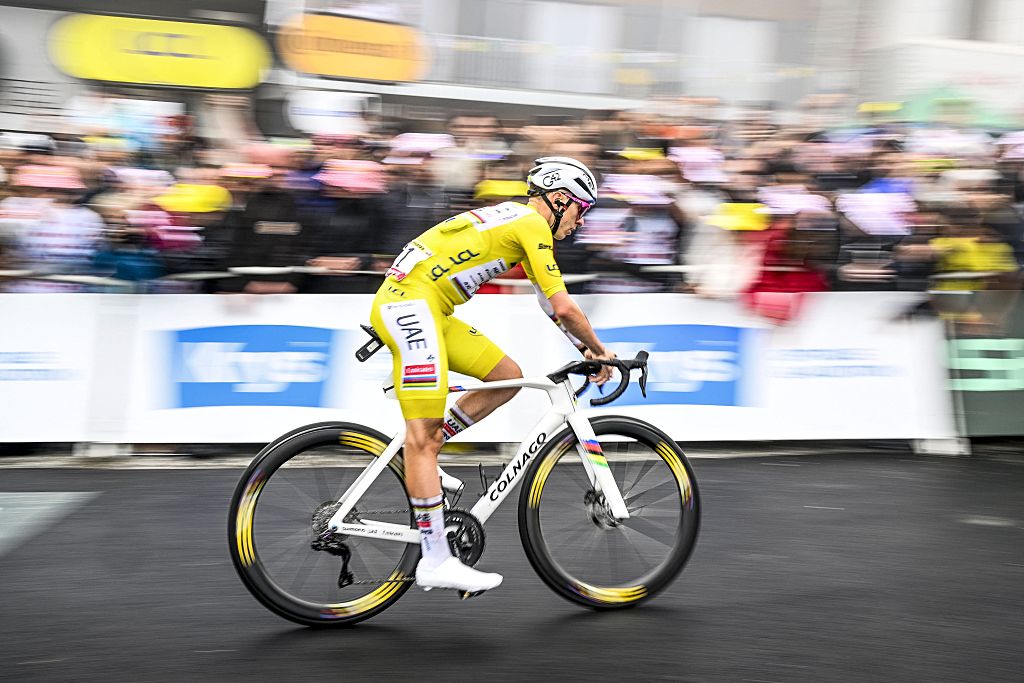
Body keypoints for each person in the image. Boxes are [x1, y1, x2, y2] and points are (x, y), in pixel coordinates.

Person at [369, 157, 616, 594]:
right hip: (410, 307)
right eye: (582, 209)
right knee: (419, 439)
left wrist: (583, 347)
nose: (581, 221)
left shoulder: (519, 219)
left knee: (506, 375)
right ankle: (435, 559)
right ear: (560, 200)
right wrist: (600, 351)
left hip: (427, 306)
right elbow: (563, 307)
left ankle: (430, 450)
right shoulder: (533, 226)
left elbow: (547, 302)